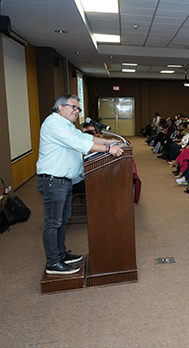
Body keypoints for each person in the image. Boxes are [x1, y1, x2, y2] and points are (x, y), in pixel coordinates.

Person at [36, 94, 123, 275]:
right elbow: (77, 143)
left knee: (62, 220)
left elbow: (86, 139)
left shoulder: (67, 125)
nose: (76, 111)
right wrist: (108, 149)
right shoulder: (53, 124)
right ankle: (53, 263)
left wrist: (108, 141)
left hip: (64, 180)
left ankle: (61, 254)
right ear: (59, 107)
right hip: (53, 180)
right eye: (73, 107)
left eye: (78, 109)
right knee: (53, 222)